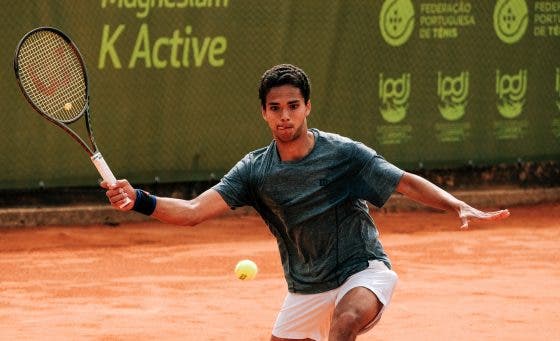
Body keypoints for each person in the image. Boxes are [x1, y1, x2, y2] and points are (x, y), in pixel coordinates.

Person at [103, 64, 510, 341]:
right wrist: (138, 199)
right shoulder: (254, 170)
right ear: (264, 113)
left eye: (293, 106)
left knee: (346, 321)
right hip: (305, 288)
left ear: (307, 107)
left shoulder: (343, 154)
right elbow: (193, 212)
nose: (285, 116)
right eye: (276, 108)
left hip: (362, 270)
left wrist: (456, 204)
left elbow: (404, 182)